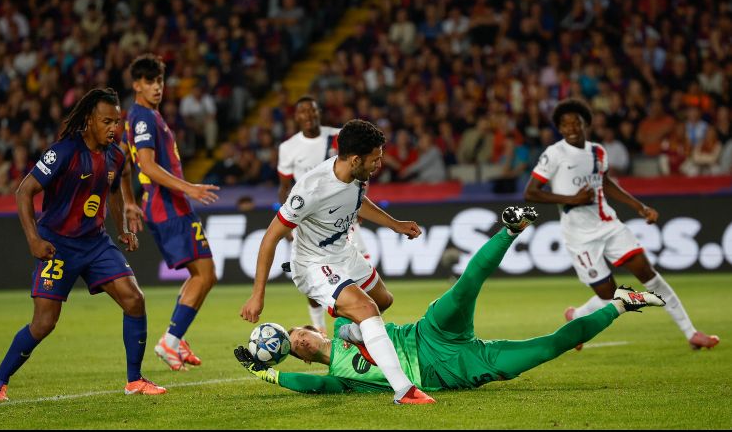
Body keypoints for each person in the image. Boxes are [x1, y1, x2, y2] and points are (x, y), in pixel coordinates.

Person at [234, 207, 667, 397]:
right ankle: (621, 305)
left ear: (311, 328)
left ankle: (511, 229)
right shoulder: (339, 378)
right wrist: (268, 375)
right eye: (297, 348)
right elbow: (311, 386)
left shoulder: (348, 327)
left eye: (297, 334)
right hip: (455, 371)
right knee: (548, 348)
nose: (301, 343)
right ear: (305, 358)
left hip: (430, 332)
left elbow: (369, 312)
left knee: (466, 287)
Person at [0, 88, 166, 401]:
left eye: (118, 121)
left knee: (134, 300)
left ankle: (134, 380)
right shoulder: (64, 151)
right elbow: (23, 192)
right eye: (107, 121)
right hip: (57, 244)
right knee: (44, 323)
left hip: (95, 243)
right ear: (89, 121)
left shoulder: (116, 155)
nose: (114, 128)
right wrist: (34, 239)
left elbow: (112, 190)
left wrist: (122, 226)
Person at [241, 119, 434, 405]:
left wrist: (395, 224)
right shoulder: (310, 189)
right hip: (313, 264)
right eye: (375, 159)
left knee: (383, 300)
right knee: (367, 308)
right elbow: (270, 239)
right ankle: (404, 391)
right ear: (356, 159)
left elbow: (358, 201)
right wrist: (257, 295)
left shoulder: (357, 175)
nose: (379, 164)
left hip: (343, 253)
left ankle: (351, 333)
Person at [523, 98, 719, 350]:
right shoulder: (554, 154)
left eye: (576, 123)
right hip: (579, 236)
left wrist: (640, 207)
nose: (570, 128)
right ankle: (577, 315)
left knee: (649, 275)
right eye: (564, 124)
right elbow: (531, 193)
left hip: (609, 225)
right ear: (559, 129)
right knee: (609, 295)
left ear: (586, 124)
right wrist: (571, 198)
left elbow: (605, 184)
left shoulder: (597, 152)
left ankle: (692, 333)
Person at [122, 54, 220, 371]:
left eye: (160, 81)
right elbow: (146, 165)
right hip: (168, 206)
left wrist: (129, 201)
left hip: (167, 205)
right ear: (136, 84)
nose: (157, 87)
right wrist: (188, 188)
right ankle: (171, 340)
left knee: (200, 275)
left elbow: (123, 161)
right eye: (150, 81)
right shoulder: (143, 119)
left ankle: (176, 338)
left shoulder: (144, 116)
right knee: (206, 274)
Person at [277, 96, 368, 334]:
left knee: (361, 263)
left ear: (319, 113)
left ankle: (354, 321)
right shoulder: (288, 148)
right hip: (309, 220)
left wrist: (358, 203)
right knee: (314, 273)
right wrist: (288, 225)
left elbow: (358, 170)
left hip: (342, 215)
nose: (308, 116)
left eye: (312, 110)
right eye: (302, 112)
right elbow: (284, 189)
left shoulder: (338, 137)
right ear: (296, 117)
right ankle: (319, 327)